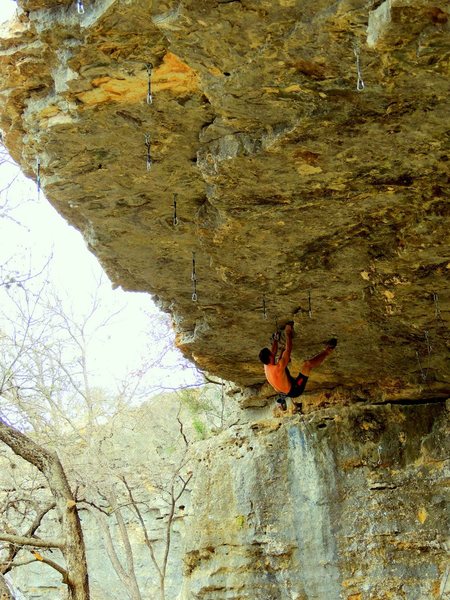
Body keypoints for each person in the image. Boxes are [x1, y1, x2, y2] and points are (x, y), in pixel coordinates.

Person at [259, 322, 337, 411]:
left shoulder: (266, 364)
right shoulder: (277, 368)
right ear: (269, 357)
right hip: (294, 389)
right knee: (307, 365)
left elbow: (273, 352)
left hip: (282, 385)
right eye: (271, 354)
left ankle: (284, 358)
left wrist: (276, 340)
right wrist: (288, 332)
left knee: (281, 358)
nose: (272, 353)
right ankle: (328, 351)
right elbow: (289, 349)